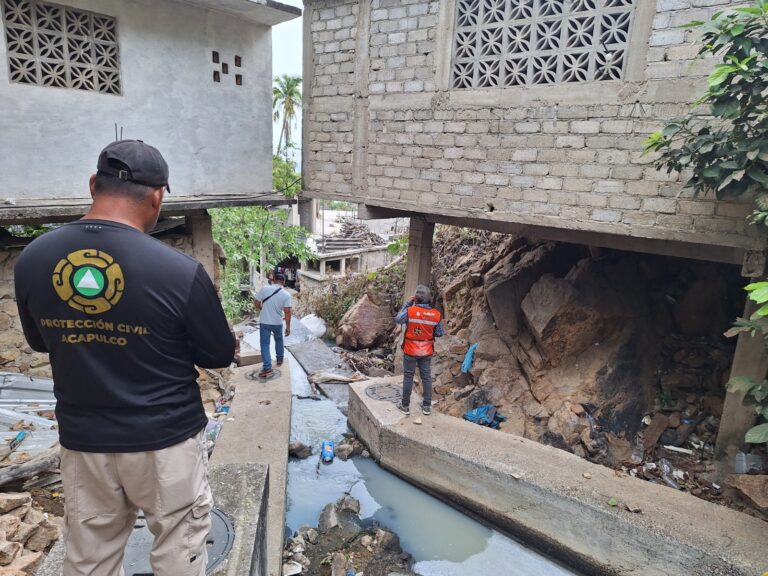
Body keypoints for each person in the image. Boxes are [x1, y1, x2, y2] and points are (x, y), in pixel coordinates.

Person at [14, 140, 235, 576]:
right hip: (165, 440)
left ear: (93, 184)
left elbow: (40, 342)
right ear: (157, 197)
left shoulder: (32, 259)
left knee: (89, 559)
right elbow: (218, 353)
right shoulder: (179, 271)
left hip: (84, 442)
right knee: (179, 551)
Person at [395, 284, 444, 416]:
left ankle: (405, 406)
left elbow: (398, 319)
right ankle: (426, 406)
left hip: (410, 350)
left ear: (416, 298)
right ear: (429, 299)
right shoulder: (436, 314)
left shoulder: (410, 311)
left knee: (408, 376)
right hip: (426, 351)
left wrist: (408, 303)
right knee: (426, 377)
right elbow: (439, 333)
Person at [255, 271, 292, 378]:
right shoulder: (286, 295)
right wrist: (288, 327)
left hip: (264, 322)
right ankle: (279, 360)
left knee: (265, 344)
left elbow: (257, 303)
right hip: (277, 323)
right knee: (279, 340)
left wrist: (261, 308)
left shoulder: (265, 289)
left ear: (274, 280)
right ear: (283, 282)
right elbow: (287, 312)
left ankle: (267, 368)